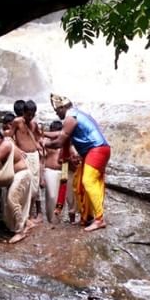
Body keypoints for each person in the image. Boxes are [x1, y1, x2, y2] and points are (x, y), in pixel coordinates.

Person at [47, 94, 110, 232]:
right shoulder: (77, 114)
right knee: (81, 183)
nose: (56, 113)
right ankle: (88, 216)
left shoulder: (70, 118)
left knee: (88, 181)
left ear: (63, 107)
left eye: (57, 110)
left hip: (96, 150)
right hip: (97, 150)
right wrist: (43, 134)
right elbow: (61, 133)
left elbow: (59, 141)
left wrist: (43, 143)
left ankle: (99, 219)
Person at [11, 99, 44, 220]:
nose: (30, 117)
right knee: (26, 183)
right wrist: (17, 150)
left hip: (34, 155)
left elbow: (37, 137)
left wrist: (40, 145)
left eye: (32, 114)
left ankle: (33, 213)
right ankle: (25, 213)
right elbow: (10, 137)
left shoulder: (34, 124)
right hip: (24, 156)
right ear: (23, 112)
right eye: (28, 114)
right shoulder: (17, 122)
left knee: (35, 184)